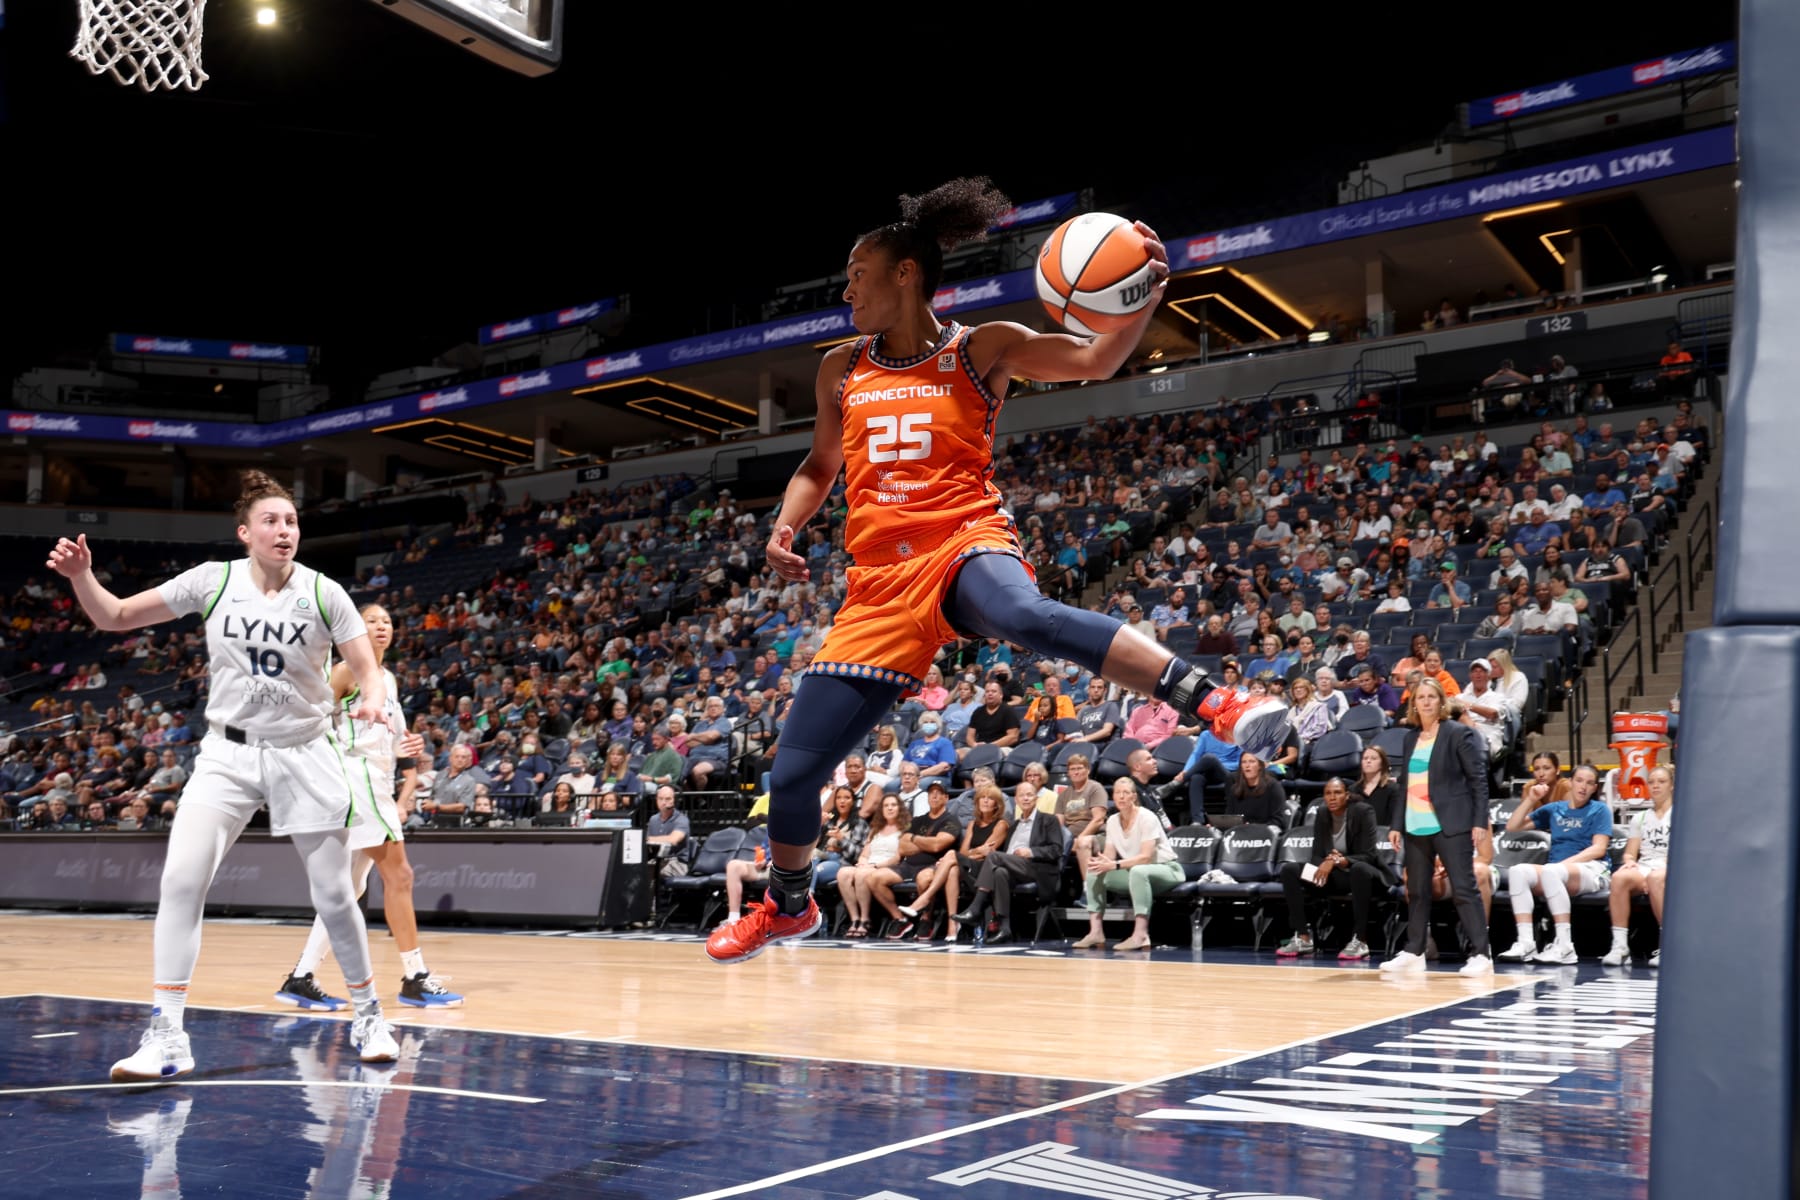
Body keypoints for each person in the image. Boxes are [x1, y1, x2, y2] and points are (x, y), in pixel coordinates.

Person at [705, 178, 1217, 964]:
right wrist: (788, 520)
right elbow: (818, 464)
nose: (846, 290)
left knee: (1022, 616)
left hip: (961, 540)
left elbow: (1097, 356)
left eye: (858, 273)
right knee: (794, 774)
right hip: (876, 587)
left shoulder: (981, 348)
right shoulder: (840, 367)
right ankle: (789, 905)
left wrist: (1144, 290)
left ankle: (1208, 694)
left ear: (905, 273)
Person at [47, 471, 400, 1080]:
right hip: (228, 754)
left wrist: (370, 696)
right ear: (245, 533)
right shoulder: (213, 580)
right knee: (181, 880)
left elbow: (365, 668)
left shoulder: (324, 593)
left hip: (305, 750)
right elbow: (116, 617)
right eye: (271, 521)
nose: (284, 530)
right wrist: (83, 576)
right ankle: (167, 1035)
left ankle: (369, 1015)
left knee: (336, 894)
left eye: (291, 521)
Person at [275, 603, 465, 1013]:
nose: (381, 626)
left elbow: (389, 734)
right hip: (355, 779)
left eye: (387, 620)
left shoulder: (388, 680)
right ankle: (415, 977)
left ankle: (301, 977)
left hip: (377, 776)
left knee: (348, 889)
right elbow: (309, 720)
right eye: (371, 621)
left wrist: (406, 745)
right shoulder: (345, 671)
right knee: (400, 875)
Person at [1381, 678, 1493, 977]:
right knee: (1417, 891)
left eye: (1432, 696)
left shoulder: (1458, 733)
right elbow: (1404, 784)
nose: (1427, 702)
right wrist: (1396, 823)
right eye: (1421, 697)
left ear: (1441, 701)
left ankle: (1482, 953)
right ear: (1413, 703)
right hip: (1416, 824)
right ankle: (1414, 951)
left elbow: (1478, 781)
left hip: (1451, 823)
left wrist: (1479, 821)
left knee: (1464, 888)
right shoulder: (1409, 738)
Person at [1498, 763, 1612, 964]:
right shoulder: (1555, 809)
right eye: (1579, 781)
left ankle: (1565, 946)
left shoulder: (1600, 810)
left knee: (1551, 872)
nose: (1583, 787)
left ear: (1595, 787)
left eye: (1589, 783)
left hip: (1593, 869)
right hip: (1558, 872)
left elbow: (1599, 848)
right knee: (1518, 872)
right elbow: (1513, 826)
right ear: (1570, 783)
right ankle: (1526, 943)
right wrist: (1531, 799)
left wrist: (1562, 866)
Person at [1275, 777, 1392, 960]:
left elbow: (1368, 855)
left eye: (1337, 793)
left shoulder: (1363, 811)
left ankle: (1360, 940)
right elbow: (1316, 855)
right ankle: (1303, 937)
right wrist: (1324, 864)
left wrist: (1339, 861)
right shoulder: (1323, 813)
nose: (1332, 797)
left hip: (1366, 875)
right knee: (1290, 870)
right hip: (1334, 877)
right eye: (1328, 793)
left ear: (1347, 795)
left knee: (1359, 869)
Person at [1072, 777, 1182, 951]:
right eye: (1117, 792)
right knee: (1094, 872)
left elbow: (1146, 857)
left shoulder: (1147, 817)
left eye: (1126, 793)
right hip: (1133, 871)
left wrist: (1114, 865)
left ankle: (1141, 935)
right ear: (1113, 797)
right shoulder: (1113, 821)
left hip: (1167, 869)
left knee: (1139, 871)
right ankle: (1095, 932)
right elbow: (1109, 855)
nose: (1121, 796)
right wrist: (1101, 862)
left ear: (1133, 796)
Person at [953, 781, 1064, 944]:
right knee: (999, 872)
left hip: (1037, 868)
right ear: (1016, 800)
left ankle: (976, 907)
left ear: (1036, 798)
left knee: (994, 856)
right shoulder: (1014, 826)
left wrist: (1031, 851)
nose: (1025, 798)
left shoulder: (1049, 820)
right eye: (1021, 795)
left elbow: (1056, 850)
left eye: (1029, 795)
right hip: (1014, 868)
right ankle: (1005, 928)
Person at [1602, 764, 1672, 967]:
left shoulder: (1681, 814)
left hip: (1671, 866)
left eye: (1661, 782)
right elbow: (1631, 853)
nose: (1656, 786)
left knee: (1655, 878)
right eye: (1651, 782)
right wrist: (1629, 862)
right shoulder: (1640, 817)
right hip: (1646, 865)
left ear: (1672, 786)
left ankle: (1668, 945)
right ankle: (1620, 947)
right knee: (1619, 877)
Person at [835, 791, 909, 939]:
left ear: (899, 808)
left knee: (862, 874)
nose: (889, 808)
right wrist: (863, 862)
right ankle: (854, 918)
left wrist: (875, 866)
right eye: (886, 805)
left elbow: (898, 857)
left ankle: (865, 919)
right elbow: (864, 853)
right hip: (869, 864)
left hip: (889, 866)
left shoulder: (905, 829)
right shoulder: (875, 829)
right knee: (843, 873)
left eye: (893, 805)